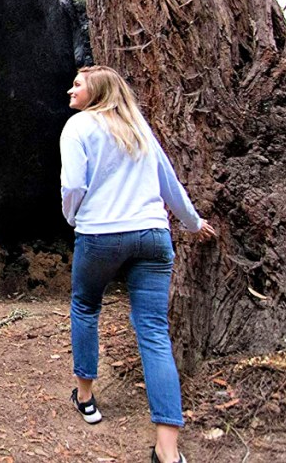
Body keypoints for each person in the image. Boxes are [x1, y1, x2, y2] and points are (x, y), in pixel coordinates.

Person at [60, 66, 217, 463]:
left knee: (85, 307)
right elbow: (170, 184)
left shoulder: (78, 127)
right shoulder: (138, 128)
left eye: (78, 84)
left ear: (96, 91)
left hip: (99, 235)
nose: (70, 89)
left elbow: (73, 185)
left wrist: (74, 217)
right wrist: (194, 224)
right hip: (152, 236)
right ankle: (168, 451)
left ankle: (86, 398)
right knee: (153, 332)